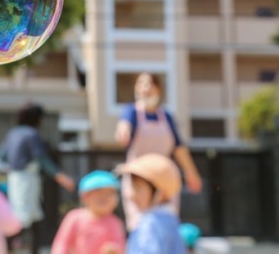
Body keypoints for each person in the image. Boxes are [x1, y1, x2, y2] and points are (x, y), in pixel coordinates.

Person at [115, 73, 202, 229]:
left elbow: (179, 148)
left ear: (159, 89)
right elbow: (124, 125)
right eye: (140, 83)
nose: (145, 87)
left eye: (149, 83)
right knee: (139, 224)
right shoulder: (131, 112)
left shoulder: (167, 116)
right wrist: (123, 131)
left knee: (166, 223)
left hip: (164, 179)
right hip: (138, 179)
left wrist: (191, 173)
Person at [0, 104, 75, 241]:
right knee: (24, 218)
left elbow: (0, 158)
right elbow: (42, 159)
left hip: (13, 179)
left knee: (19, 214)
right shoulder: (32, 134)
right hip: (27, 179)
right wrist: (62, 177)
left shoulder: (13, 133)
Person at [118, 153, 186, 254]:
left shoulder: (151, 224)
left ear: (160, 193)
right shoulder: (170, 219)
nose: (131, 195)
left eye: (138, 188)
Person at [51, 170, 126, 254]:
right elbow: (62, 243)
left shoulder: (115, 223)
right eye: (99, 194)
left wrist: (114, 249)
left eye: (108, 194)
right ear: (84, 197)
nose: (104, 197)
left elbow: (120, 246)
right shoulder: (74, 218)